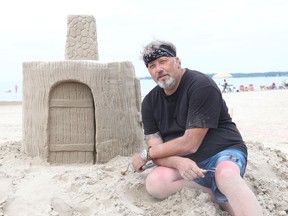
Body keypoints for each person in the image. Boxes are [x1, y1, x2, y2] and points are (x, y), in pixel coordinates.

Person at [132, 40, 262, 216]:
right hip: (186, 163)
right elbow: (157, 149)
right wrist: (177, 161)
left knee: (226, 175)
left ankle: (230, 193)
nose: (158, 69)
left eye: (163, 61)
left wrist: (145, 154)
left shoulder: (201, 85)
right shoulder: (149, 102)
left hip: (222, 152)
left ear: (177, 61)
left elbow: (189, 143)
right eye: (152, 65)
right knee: (155, 183)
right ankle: (217, 195)